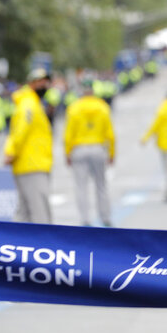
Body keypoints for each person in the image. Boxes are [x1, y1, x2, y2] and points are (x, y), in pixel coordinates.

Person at [3, 68, 54, 223]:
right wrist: (11, 152)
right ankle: (43, 239)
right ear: (31, 83)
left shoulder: (32, 103)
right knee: (39, 213)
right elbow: (20, 130)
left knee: (24, 213)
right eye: (40, 82)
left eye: (45, 82)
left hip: (32, 163)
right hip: (32, 164)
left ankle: (15, 238)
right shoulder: (29, 104)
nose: (44, 85)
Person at [64, 81, 116, 226]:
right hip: (98, 148)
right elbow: (110, 134)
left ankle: (85, 219)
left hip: (79, 149)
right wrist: (112, 153)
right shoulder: (103, 107)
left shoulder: (74, 108)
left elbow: (68, 135)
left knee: (81, 186)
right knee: (101, 185)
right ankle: (105, 217)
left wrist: (67, 153)